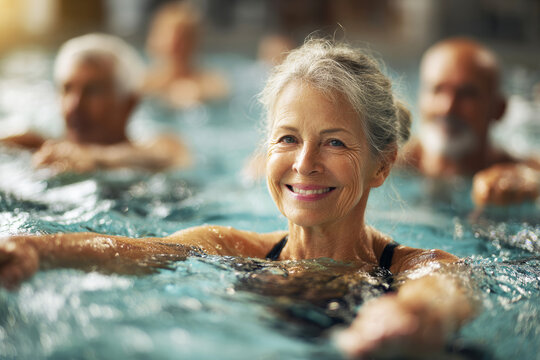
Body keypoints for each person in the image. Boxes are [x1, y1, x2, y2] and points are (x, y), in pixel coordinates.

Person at [0, 39, 474, 358]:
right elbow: (130, 251)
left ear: (383, 164)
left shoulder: (415, 267)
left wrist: (407, 317)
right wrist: (36, 249)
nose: (304, 164)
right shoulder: (233, 249)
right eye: (287, 138)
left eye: (334, 142)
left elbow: (442, 294)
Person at [0, 33, 191, 173]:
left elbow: (169, 156)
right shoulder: (32, 146)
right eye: (67, 89)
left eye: (93, 91)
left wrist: (95, 157)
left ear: (128, 104)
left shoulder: (158, 149)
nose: (74, 104)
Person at [400, 37, 539, 207]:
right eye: (437, 90)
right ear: (420, 99)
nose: (447, 108)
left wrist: (531, 181)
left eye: (467, 94)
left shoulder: (520, 172)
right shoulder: (388, 162)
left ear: (498, 109)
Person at [143, 2, 229, 109]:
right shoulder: (148, 83)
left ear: (194, 42)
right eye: (171, 38)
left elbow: (220, 91)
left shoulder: (207, 83)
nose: (176, 44)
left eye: (183, 39)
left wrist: (198, 93)